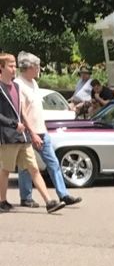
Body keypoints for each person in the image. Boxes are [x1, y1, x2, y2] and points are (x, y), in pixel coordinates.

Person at [15, 52, 81, 208]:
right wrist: (32, 133)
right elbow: (21, 112)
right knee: (27, 166)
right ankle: (26, 197)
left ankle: (63, 194)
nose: (39, 69)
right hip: (29, 132)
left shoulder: (34, 83)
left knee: (53, 163)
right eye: (37, 66)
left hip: (41, 131)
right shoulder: (19, 84)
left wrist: (42, 130)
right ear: (29, 67)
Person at [0, 52, 63, 213]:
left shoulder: (16, 86)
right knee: (6, 170)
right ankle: (2, 200)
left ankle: (49, 202)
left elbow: (22, 112)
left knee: (33, 168)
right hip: (8, 137)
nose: (14, 69)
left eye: (15, 65)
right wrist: (14, 124)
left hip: (23, 136)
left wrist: (31, 131)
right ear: (1, 68)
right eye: (11, 66)